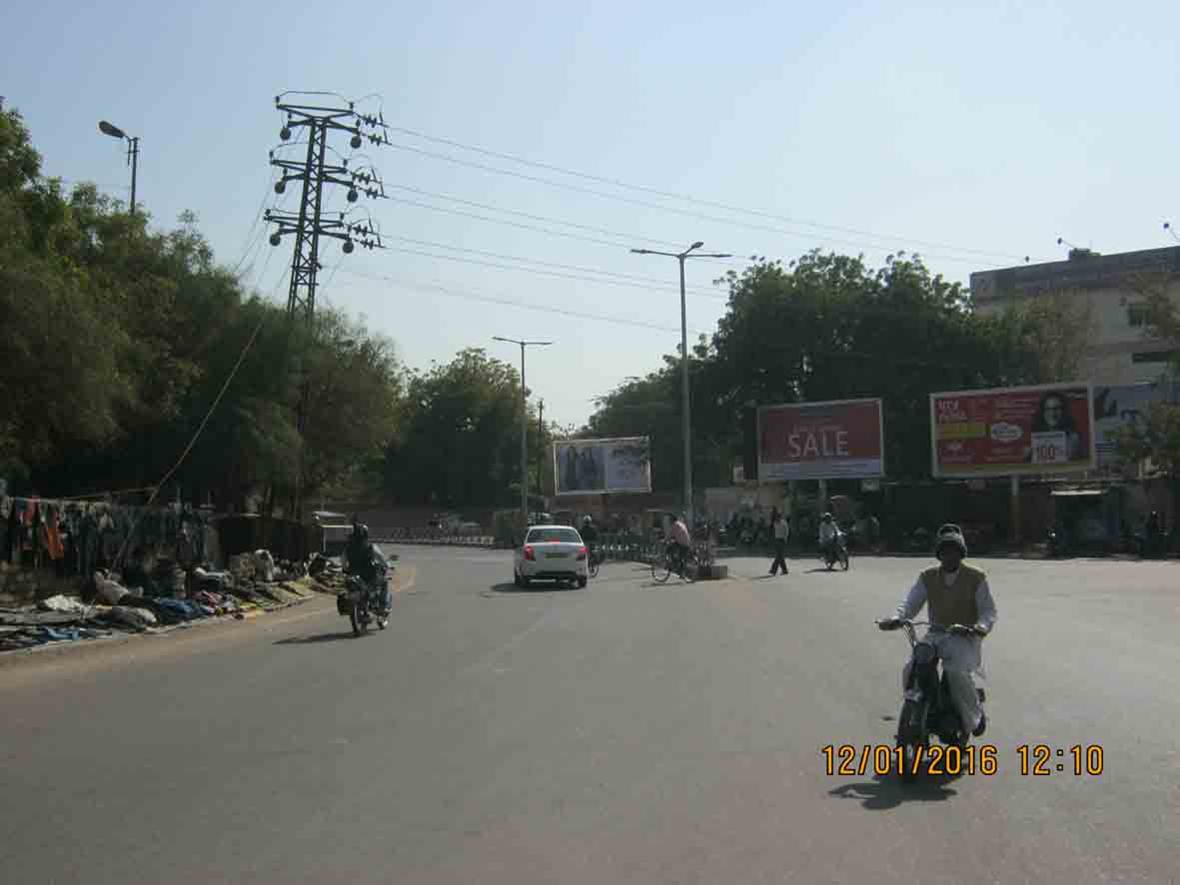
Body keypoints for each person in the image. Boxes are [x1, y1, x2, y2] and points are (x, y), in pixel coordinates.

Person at [878, 524, 998, 739]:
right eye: (944, 551)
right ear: (939, 554)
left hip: (964, 636)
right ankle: (917, 710)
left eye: (953, 551)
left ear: (961, 553)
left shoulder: (976, 576)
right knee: (912, 668)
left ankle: (973, 718)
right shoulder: (928, 576)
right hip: (936, 634)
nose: (948, 555)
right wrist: (897, 618)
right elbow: (910, 603)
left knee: (956, 673)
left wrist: (980, 627)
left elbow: (988, 610)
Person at [1028, 391, 1084, 461]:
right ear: (1042, 412)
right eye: (1048, 409)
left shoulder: (1073, 438)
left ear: (1064, 411)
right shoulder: (1034, 436)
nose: (1052, 413)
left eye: (1056, 408)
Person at [769, 509, 790, 576]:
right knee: (780, 556)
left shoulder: (783, 523)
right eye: (776, 517)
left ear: (780, 517)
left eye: (778, 517)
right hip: (777, 540)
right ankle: (785, 570)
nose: (777, 518)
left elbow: (787, 531)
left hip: (782, 540)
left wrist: (785, 539)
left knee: (779, 556)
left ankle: (773, 570)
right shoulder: (775, 523)